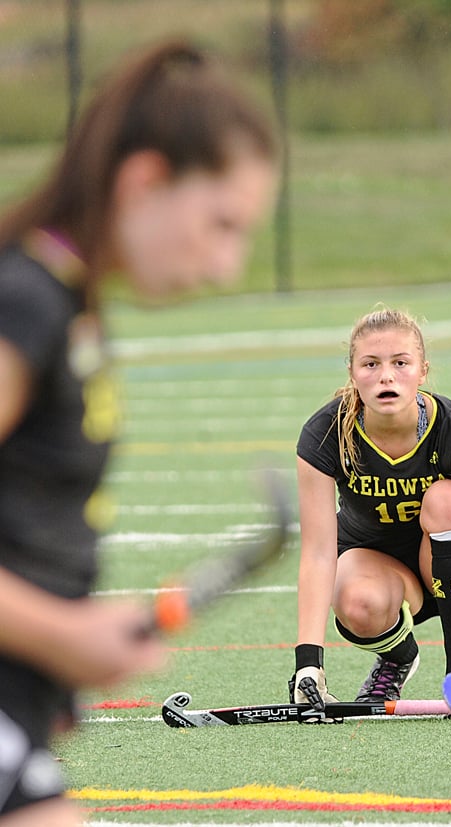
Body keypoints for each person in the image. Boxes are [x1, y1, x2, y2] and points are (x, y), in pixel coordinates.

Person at [0, 39, 278, 826]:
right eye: (220, 224)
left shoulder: (68, 303)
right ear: (145, 180)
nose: (227, 265)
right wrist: (60, 634)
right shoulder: (24, 304)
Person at [290, 307, 451, 719]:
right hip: (375, 567)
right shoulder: (324, 433)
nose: (386, 376)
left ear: (422, 371)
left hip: (448, 562)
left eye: (400, 363)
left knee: (447, 500)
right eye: (371, 364)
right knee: (355, 601)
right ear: (352, 372)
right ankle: (397, 657)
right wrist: (309, 663)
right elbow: (319, 553)